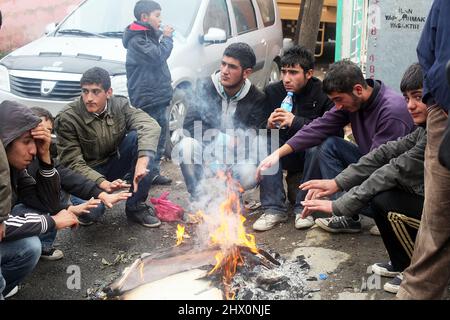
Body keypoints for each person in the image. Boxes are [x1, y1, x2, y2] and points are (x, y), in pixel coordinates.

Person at [300, 63, 427, 294]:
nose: (410, 105)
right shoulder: (425, 129)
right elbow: (383, 154)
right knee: (380, 194)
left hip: (438, 211)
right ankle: (399, 263)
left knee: (386, 200)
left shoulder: (432, 131)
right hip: (426, 197)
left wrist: (339, 205)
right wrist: (336, 183)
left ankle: (417, 272)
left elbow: (392, 170)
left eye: (418, 97)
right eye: (407, 97)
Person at [256, 60, 415, 233]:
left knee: (374, 188)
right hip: (371, 162)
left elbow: (377, 165)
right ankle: (348, 216)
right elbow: (318, 127)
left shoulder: (392, 112)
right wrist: (276, 155)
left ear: (358, 89)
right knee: (328, 144)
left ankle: (382, 213)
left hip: (397, 180)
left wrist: (336, 184)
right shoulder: (352, 100)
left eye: (339, 100)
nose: (337, 107)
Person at [11, 107, 130, 261]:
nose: (43, 140)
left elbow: (65, 175)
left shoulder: (39, 153)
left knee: (54, 180)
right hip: (15, 214)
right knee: (30, 245)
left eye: (48, 133)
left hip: (27, 209)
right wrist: (65, 212)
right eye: (38, 134)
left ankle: (43, 246)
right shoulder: (13, 159)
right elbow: (29, 199)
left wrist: (102, 191)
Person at [54, 67, 162, 228]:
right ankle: (75, 200)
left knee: (141, 141)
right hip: (86, 174)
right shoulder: (68, 117)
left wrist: (142, 160)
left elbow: (150, 125)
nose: (89, 98)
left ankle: (135, 207)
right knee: (91, 213)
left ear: (108, 92)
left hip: (113, 162)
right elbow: (73, 164)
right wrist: (103, 184)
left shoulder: (120, 105)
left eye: (96, 92)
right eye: (85, 91)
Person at [397, 0, 450, 300]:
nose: (410, 106)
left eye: (416, 97)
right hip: (446, 112)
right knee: (437, 226)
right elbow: (426, 49)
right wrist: (437, 99)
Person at [0, 100, 79, 299]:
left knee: (30, 247)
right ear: (6, 140)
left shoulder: (15, 170)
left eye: (35, 143)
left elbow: (48, 204)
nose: (33, 150)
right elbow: (3, 225)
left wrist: (45, 156)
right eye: (26, 141)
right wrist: (53, 222)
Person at [253, 45, 334, 232]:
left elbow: (332, 132)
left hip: (310, 156)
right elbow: (258, 130)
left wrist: (295, 121)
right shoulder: (273, 92)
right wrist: (268, 125)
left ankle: (304, 208)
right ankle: (273, 208)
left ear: (309, 73)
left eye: (293, 72)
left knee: (319, 145)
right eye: (283, 72)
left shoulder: (323, 93)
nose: (287, 78)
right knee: (265, 141)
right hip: (282, 153)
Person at [175, 42, 265, 201]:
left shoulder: (256, 98)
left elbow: (254, 132)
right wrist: (223, 139)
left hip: (236, 160)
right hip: (206, 154)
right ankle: (199, 200)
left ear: (246, 72)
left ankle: (230, 197)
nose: (224, 71)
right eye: (223, 64)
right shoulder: (205, 86)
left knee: (250, 171)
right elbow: (189, 125)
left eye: (232, 67)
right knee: (186, 146)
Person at [123, 0, 174, 186]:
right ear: (144, 17)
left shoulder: (147, 35)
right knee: (149, 136)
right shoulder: (138, 40)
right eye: (157, 15)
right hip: (147, 98)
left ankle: (152, 172)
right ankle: (138, 172)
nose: (160, 20)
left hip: (157, 95)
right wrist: (167, 38)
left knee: (159, 134)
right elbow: (158, 56)